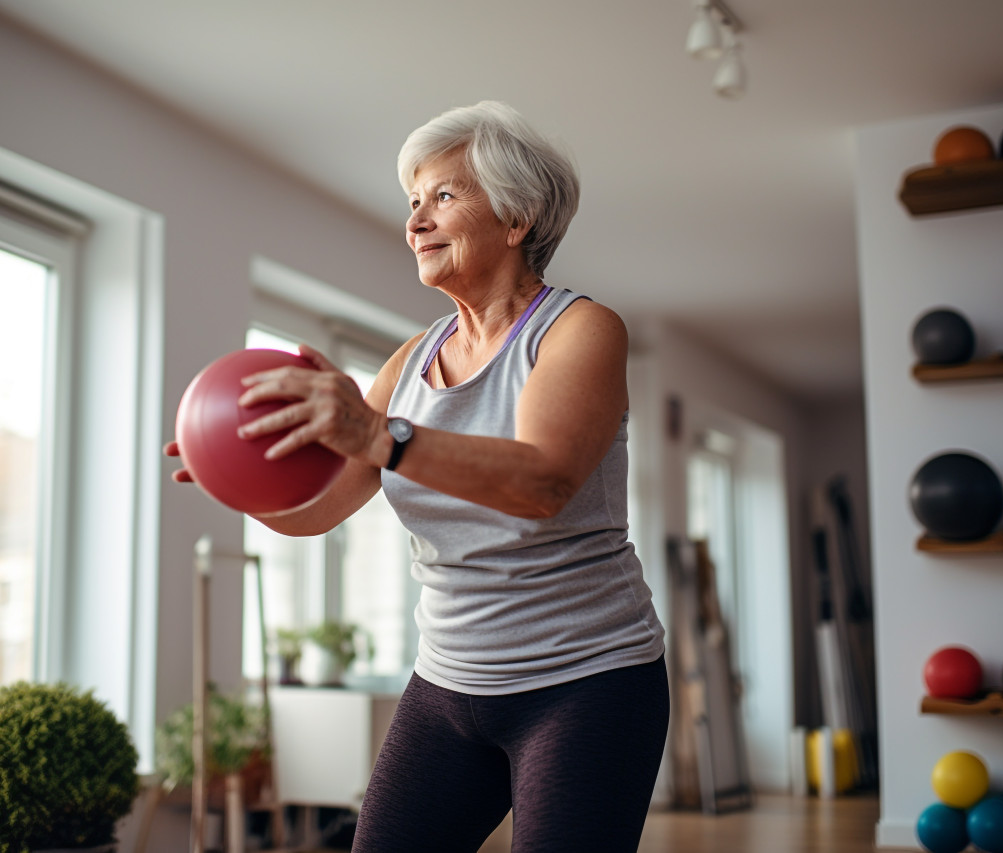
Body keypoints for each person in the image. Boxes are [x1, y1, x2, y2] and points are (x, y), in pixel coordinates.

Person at [167, 100, 668, 853]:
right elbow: (322, 507)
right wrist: (239, 482)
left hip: (587, 681)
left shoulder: (580, 332)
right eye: (412, 202)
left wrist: (375, 433)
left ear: (517, 217)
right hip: (448, 685)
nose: (415, 222)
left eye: (443, 195)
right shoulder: (407, 363)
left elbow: (543, 481)